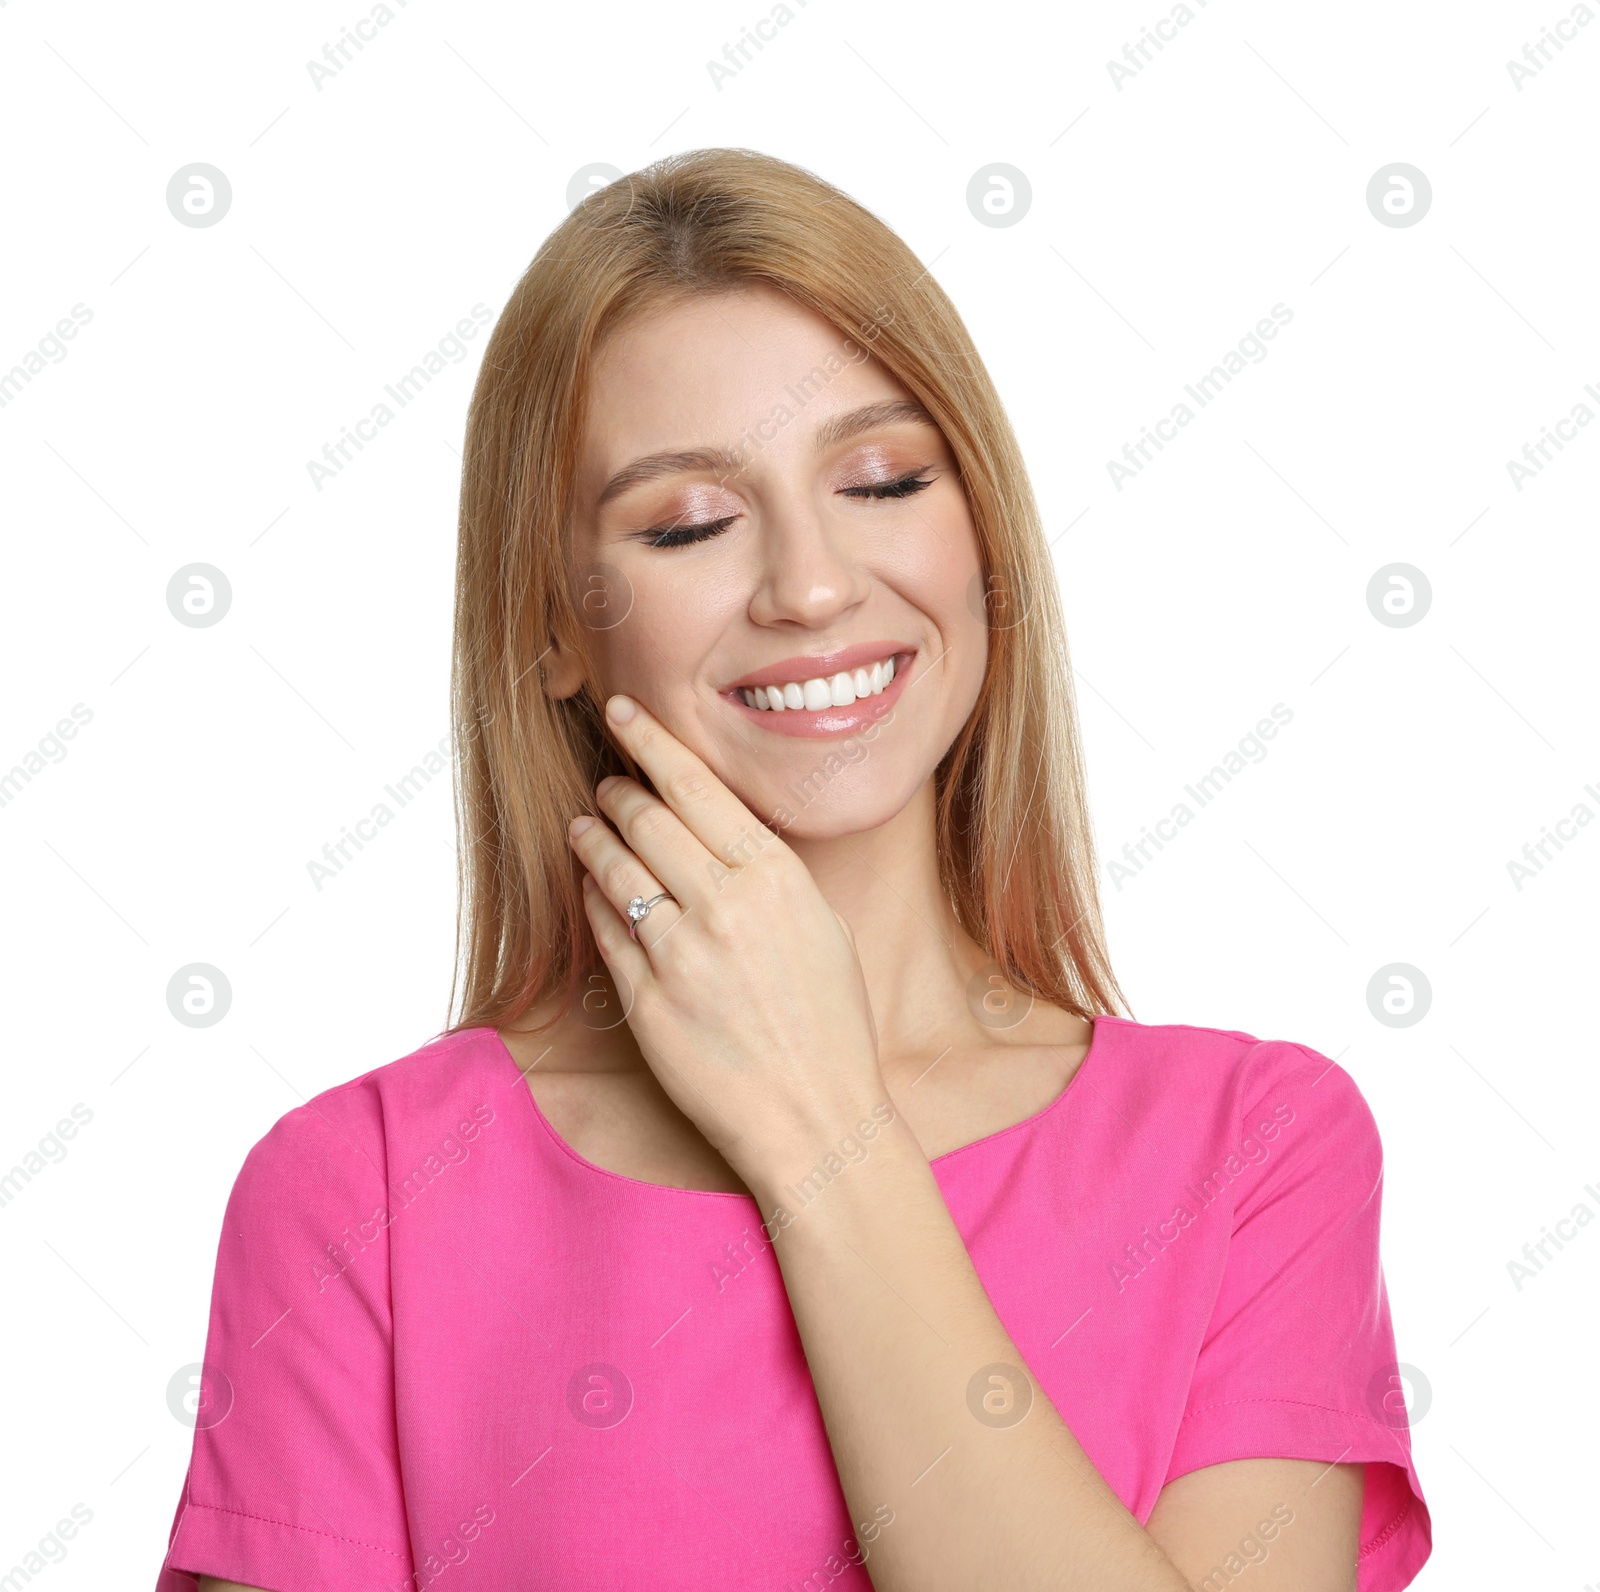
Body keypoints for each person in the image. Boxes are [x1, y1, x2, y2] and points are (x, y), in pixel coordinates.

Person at [158, 147, 1430, 1592]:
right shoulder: (360, 1197)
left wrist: (825, 1134)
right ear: (554, 626)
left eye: (883, 480)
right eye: (689, 522)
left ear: (982, 531)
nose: (813, 585)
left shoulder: (1258, 1148)